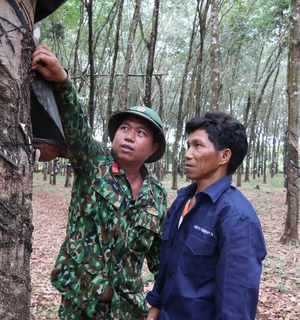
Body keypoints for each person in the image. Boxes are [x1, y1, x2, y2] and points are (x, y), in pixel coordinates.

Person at [32, 44, 168, 319]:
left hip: (127, 310)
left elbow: (161, 260)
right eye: (124, 128)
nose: (129, 136)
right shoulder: (94, 162)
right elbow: (77, 125)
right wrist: (63, 82)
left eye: (140, 132)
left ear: (153, 148)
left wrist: (159, 306)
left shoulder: (156, 196)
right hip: (80, 304)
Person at [146, 112, 267, 320]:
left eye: (198, 146)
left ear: (224, 156)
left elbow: (235, 307)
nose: (187, 154)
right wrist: (153, 312)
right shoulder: (182, 201)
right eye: (188, 145)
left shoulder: (237, 218)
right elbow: (167, 271)